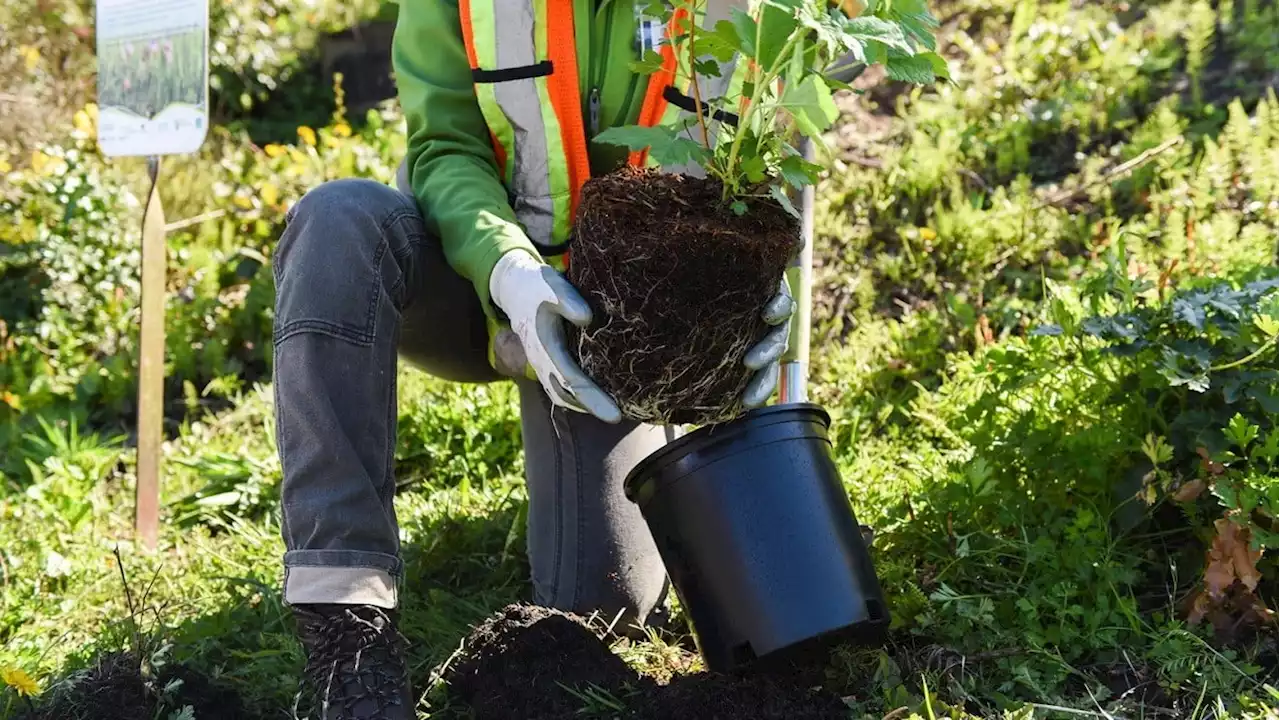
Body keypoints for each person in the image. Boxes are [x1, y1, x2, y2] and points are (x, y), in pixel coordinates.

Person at [271, 0, 793, 717]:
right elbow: (442, 148)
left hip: (622, 346)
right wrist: (509, 273)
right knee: (337, 222)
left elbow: (768, 144)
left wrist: (761, 274)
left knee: (607, 610)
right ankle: (347, 628)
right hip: (477, 284)